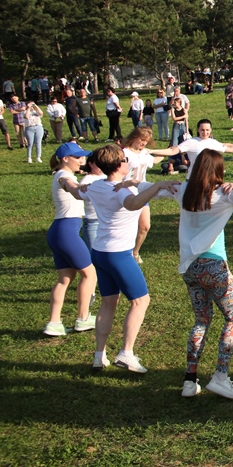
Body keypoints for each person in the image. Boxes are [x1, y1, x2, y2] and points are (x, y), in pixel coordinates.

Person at [59, 144, 179, 373]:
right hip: (119, 254)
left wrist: (64, 181)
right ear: (118, 164)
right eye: (125, 159)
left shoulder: (94, 186)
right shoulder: (120, 190)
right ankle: (126, 353)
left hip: (100, 253)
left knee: (108, 302)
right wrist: (156, 187)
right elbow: (133, 204)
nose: (127, 162)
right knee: (141, 301)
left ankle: (98, 355)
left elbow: (75, 191)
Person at [167, 151, 233, 399]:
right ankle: (220, 376)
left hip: (189, 268)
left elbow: (150, 188)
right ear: (218, 169)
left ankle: (189, 380)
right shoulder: (225, 193)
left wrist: (155, 185)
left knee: (201, 320)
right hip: (213, 267)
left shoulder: (185, 190)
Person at [43, 142, 97, 337]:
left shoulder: (65, 175)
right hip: (66, 231)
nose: (82, 160)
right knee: (90, 273)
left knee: (65, 279)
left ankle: (54, 323)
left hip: (59, 231)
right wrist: (84, 189)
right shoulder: (64, 176)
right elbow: (72, 188)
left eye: (83, 157)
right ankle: (83, 318)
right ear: (65, 159)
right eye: (78, 157)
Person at [148, 119, 233, 181]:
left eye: (207, 130)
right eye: (202, 130)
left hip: (211, 179)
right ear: (198, 130)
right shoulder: (191, 142)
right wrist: (151, 151)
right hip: (193, 179)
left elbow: (231, 149)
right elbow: (172, 151)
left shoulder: (213, 142)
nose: (205, 132)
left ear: (211, 130)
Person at [122, 127, 164, 264]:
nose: (144, 143)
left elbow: (155, 161)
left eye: (146, 141)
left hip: (142, 192)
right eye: (142, 139)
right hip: (126, 192)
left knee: (145, 226)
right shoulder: (124, 153)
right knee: (127, 226)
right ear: (134, 137)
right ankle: (125, 252)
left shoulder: (145, 153)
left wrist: (171, 150)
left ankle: (135, 252)